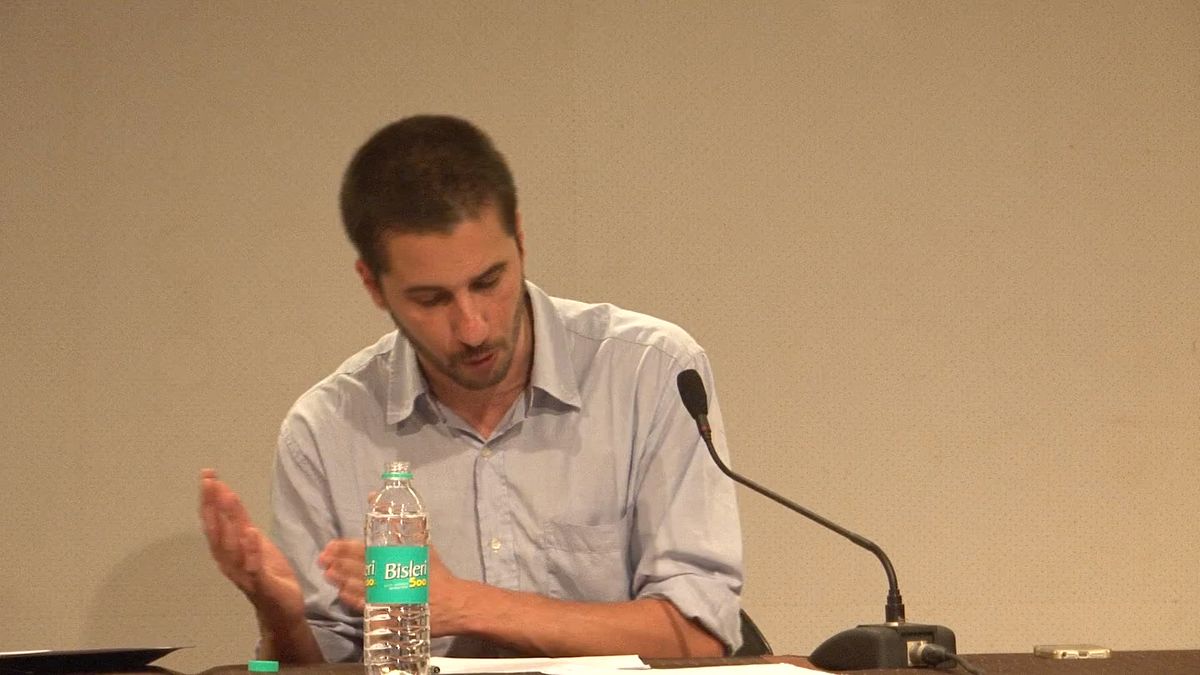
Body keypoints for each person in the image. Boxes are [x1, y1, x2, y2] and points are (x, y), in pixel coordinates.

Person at [199, 115, 743, 663]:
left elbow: (700, 637)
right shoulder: (325, 433)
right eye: (432, 299)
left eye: (488, 282)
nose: (473, 327)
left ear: (521, 241)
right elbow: (321, 666)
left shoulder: (651, 374)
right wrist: (279, 615)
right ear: (373, 285)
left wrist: (468, 605)